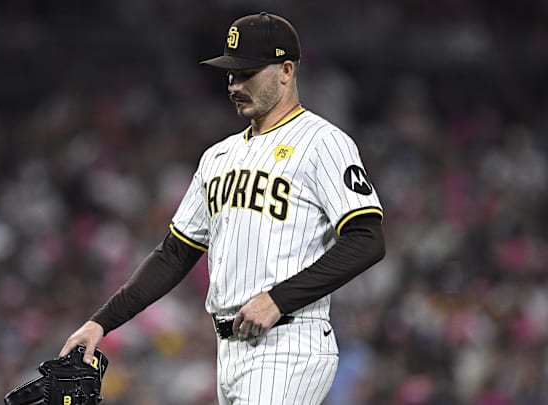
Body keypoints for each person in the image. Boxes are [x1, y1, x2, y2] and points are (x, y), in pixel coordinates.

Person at [60, 11, 385, 404]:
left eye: (247, 72)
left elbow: (367, 239)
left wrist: (279, 299)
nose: (234, 84)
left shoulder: (323, 143)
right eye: (230, 74)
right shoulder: (218, 157)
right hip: (230, 350)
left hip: (289, 340)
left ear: (285, 70)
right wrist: (101, 323)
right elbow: (174, 254)